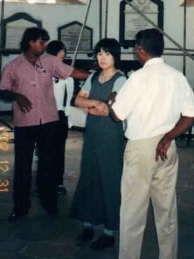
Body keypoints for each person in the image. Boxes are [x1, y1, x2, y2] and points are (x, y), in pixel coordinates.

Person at [110, 29, 194, 259]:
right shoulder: (176, 76)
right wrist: (169, 137)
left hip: (141, 149)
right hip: (166, 147)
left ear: (140, 50)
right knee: (166, 209)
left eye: (135, 49)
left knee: (133, 211)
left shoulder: (138, 78)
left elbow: (117, 115)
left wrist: (113, 102)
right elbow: (191, 115)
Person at [0, 27, 89, 221]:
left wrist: (99, 76)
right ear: (30, 42)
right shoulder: (13, 67)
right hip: (25, 123)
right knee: (23, 166)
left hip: (49, 121)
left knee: (47, 165)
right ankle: (20, 208)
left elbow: (73, 73)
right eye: (41, 41)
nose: (45, 45)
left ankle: (50, 204)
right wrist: (17, 95)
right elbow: (3, 92)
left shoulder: (50, 61)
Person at [69, 38, 127, 250]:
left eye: (107, 54)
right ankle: (88, 225)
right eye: (99, 53)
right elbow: (78, 100)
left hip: (111, 137)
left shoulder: (121, 80)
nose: (102, 58)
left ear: (115, 57)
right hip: (93, 135)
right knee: (89, 177)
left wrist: (94, 106)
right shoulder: (93, 77)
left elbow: (112, 110)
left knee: (109, 181)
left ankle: (110, 231)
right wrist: (96, 103)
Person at [46, 40, 75, 196]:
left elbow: (69, 99)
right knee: (46, 151)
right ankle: (44, 183)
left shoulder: (68, 77)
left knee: (59, 151)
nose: (62, 54)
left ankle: (58, 182)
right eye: (59, 51)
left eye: (64, 51)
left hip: (60, 116)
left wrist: (67, 116)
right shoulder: (44, 73)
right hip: (45, 116)